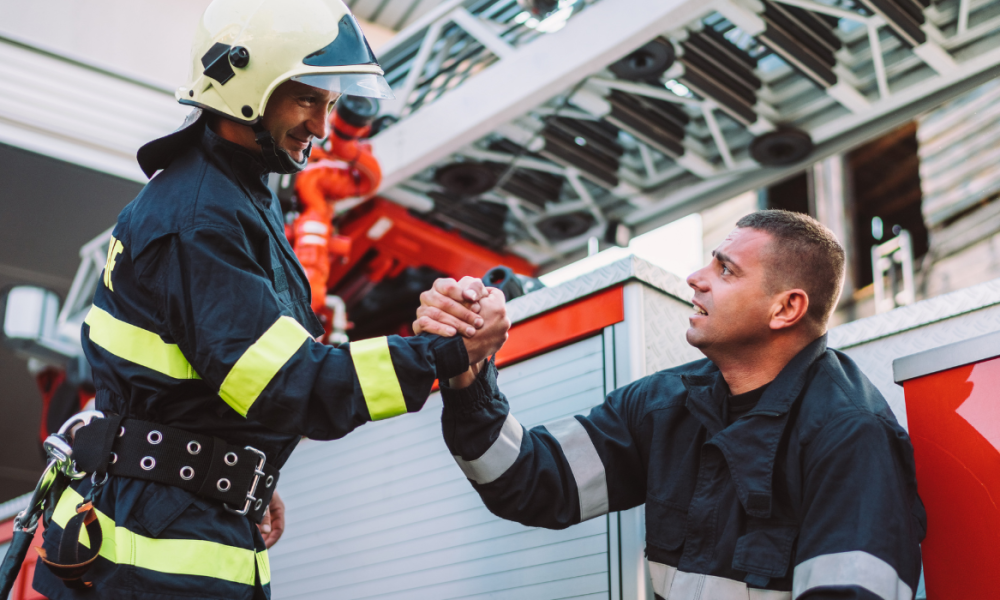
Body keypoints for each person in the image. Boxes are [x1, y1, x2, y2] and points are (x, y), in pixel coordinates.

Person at [32, 1, 508, 599]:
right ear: (246, 85)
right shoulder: (200, 217)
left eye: (329, 105)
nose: (322, 127)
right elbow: (284, 381)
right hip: (148, 560)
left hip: (167, 524)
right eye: (308, 99)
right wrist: (440, 354)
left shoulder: (234, 195)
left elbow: (211, 384)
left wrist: (234, 468)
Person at [418, 210, 926, 600]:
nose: (695, 278)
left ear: (787, 308)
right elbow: (528, 482)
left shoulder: (848, 435)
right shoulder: (665, 405)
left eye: (726, 271)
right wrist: (469, 372)